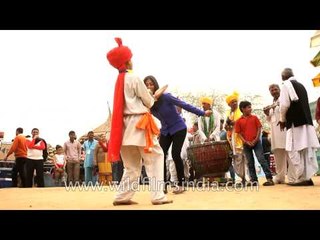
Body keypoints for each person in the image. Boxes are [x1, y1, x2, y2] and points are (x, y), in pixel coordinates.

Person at [106, 37, 172, 205]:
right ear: (127, 61)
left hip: (123, 127)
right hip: (139, 123)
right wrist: (154, 95)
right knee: (156, 157)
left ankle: (122, 197)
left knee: (131, 166)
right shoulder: (133, 78)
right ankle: (158, 196)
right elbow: (148, 101)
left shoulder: (118, 81)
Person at [143, 75, 212, 193]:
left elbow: (185, 105)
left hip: (178, 128)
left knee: (175, 154)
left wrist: (202, 113)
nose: (149, 86)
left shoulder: (166, 97)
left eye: (151, 84)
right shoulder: (149, 104)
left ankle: (181, 184)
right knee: (160, 155)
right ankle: (162, 186)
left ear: (155, 85)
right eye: (147, 85)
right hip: (165, 130)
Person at [278, 68, 319, 186]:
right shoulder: (301, 86)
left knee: (292, 149)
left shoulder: (286, 85)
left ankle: (301, 177)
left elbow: (284, 105)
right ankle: (307, 176)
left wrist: (282, 120)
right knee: (305, 149)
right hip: (306, 122)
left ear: (283, 77)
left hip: (295, 123)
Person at [234, 101, 274, 186]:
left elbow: (259, 129)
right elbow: (239, 133)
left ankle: (269, 178)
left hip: (256, 143)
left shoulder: (255, 118)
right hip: (246, 144)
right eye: (248, 107)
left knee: (261, 159)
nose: (250, 109)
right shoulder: (238, 121)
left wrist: (256, 140)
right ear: (243, 109)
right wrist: (245, 142)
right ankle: (254, 180)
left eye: (250, 107)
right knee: (250, 162)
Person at [263, 84, 289, 183]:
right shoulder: (271, 104)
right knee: (278, 156)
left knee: (289, 154)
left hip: (285, 132)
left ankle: (292, 176)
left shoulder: (284, 101)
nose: (274, 91)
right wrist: (266, 114)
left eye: (275, 89)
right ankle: (280, 177)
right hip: (275, 133)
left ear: (279, 90)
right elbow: (270, 120)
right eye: (272, 90)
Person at [225, 91, 247, 185]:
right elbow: (227, 127)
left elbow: (245, 121)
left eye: (235, 101)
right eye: (232, 102)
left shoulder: (242, 111)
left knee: (246, 158)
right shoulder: (228, 113)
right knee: (237, 159)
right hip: (233, 137)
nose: (234, 103)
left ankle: (248, 179)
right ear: (229, 104)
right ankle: (239, 179)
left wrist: (236, 123)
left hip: (243, 137)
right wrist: (227, 126)